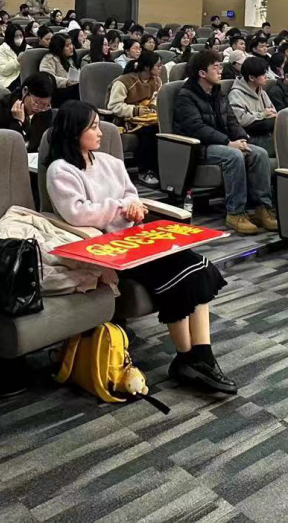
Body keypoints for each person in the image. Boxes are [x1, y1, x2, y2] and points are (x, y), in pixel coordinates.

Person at [46, 101, 234, 394]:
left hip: (136, 238)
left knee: (199, 266)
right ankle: (190, 359)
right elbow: (78, 213)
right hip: (108, 250)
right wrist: (121, 207)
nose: (100, 132)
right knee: (181, 274)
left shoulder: (109, 162)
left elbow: (132, 194)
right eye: (93, 127)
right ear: (74, 132)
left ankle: (198, 357)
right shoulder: (61, 170)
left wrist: (133, 206)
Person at [172, 49, 275, 236]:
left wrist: (243, 139)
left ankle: (262, 208)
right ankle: (235, 213)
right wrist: (228, 142)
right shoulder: (186, 96)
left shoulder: (218, 92)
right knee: (234, 155)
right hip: (198, 147)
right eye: (216, 67)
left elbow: (231, 121)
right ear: (202, 73)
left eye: (221, 66)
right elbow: (197, 128)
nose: (221, 71)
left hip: (221, 142)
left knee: (258, 153)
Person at [107, 50, 163, 184]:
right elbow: (113, 106)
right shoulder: (123, 81)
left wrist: (153, 107)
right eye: (158, 65)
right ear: (147, 67)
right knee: (149, 132)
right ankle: (145, 171)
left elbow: (156, 99)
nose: (161, 68)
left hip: (148, 118)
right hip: (125, 120)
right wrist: (134, 110)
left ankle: (160, 170)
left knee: (162, 129)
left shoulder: (157, 80)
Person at [0, 70, 54, 150]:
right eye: (37, 102)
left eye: (46, 105)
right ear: (25, 91)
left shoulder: (45, 113)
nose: (39, 109)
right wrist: (17, 123)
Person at [228, 55, 278, 157]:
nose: (266, 77)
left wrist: (268, 115)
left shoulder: (262, 92)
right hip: (251, 137)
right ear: (251, 77)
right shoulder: (236, 94)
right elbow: (240, 119)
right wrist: (262, 114)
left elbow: (273, 112)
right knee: (286, 143)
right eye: (263, 74)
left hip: (266, 133)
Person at [40, 33, 79, 104]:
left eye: (71, 44)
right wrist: (66, 82)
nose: (71, 47)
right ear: (59, 47)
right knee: (78, 88)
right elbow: (47, 78)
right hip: (56, 92)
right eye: (67, 45)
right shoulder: (49, 58)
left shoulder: (68, 59)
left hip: (69, 89)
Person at [0, 23, 26, 90]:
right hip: (7, 80)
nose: (19, 38)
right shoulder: (2, 49)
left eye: (21, 36)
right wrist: (17, 61)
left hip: (23, 78)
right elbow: (4, 71)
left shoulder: (27, 48)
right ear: (10, 36)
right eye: (16, 36)